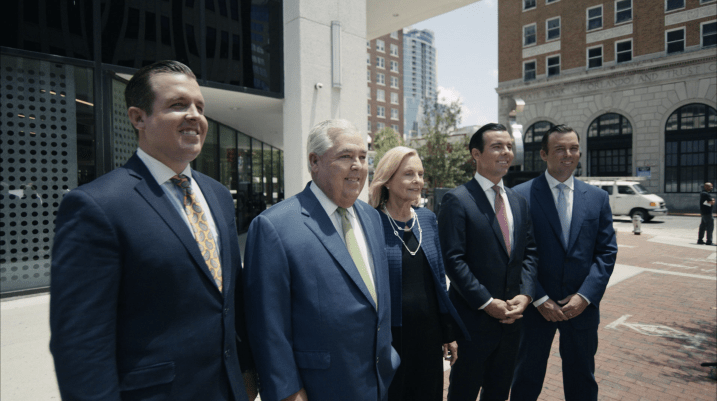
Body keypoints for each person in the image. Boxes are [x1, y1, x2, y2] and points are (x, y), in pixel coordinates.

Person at [49, 61, 256, 401]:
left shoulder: (218, 195)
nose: (195, 116)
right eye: (178, 105)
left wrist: (247, 378)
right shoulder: (96, 206)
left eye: (200, 107)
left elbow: (230, 303)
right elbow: (80, 342)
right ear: (137, 117)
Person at [243, 119, 399, 401]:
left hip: (376, 384)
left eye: (363, 157)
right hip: (319, 389)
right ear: (314, 161)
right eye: (346, 156)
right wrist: (288, 392)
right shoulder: (274, 226)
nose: (358, 166)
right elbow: (267, 325)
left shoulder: (372, 218)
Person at [511, 124, 618, 401]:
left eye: (573, 148)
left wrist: (585, 296)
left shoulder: (597, 198)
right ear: (544, 154)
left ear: (580, 152)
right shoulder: (520, 196)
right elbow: (516, 255)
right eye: (559, 149)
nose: (567, 154)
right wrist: (538, 297)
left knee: (582, 378)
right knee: (525, 377)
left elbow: (606, 252)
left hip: (580, 308)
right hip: (535, 308)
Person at [438, 123, 538, 401]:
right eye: (497, 146)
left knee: (498, 392)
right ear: (476, 154)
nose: (506, 152)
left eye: (508, 146)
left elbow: (529, 253)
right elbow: (453, 261)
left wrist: (526, 294)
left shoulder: (518, 201)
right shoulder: (456, 200)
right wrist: (486, 302)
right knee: (463, 392)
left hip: (512, 322)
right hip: (472, 323)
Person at [368, 146, 469, 401]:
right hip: (391, 336)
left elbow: (438, 282)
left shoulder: (427, 219)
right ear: (387, 180)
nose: (418, 180)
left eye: (421, 174)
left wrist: (448, 334)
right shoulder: (370, 221)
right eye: (408, 174)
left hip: (429, 333)